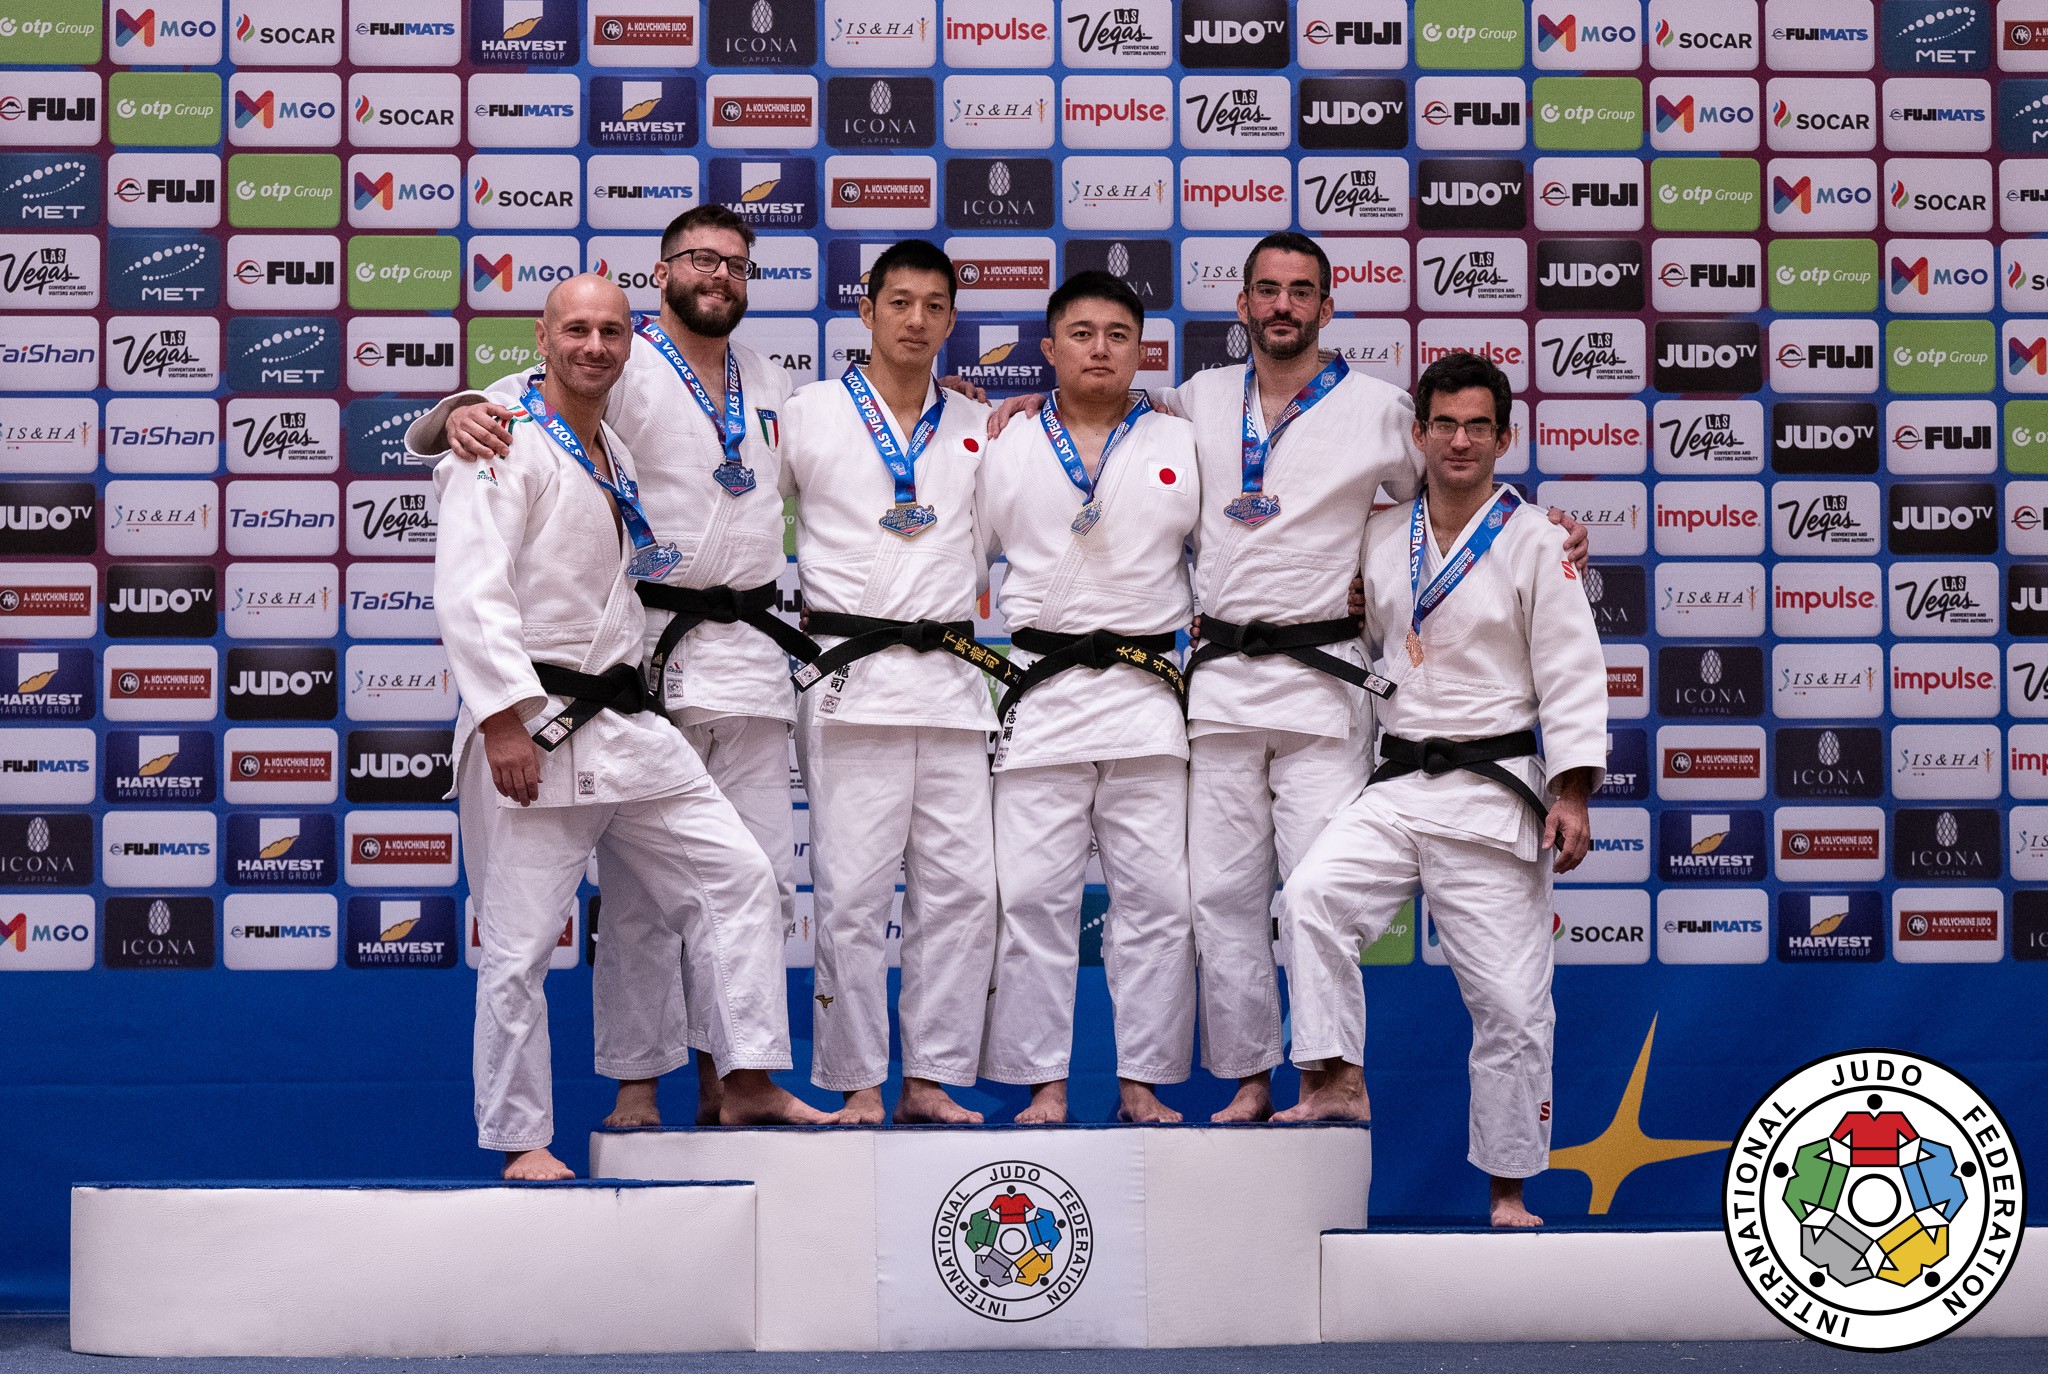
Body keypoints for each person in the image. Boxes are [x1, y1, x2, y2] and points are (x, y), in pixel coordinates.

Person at [986, 232, 1585, 1121]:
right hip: (1221, 682)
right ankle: (1248, 1074)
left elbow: (1463, 484)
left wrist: (1549, 526)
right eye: (1266, 290)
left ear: (1327, 307)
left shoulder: (1384, 409)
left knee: (1315, 892)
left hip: (1326, 682)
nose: (1282, 305)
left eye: (1301, 291)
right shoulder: (1197, 399)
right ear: (1242, 306)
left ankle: (1331, 1075)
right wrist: (1027, 401)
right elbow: (1104, 411)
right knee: (1220, 897)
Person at [410, 207, 808, 1128]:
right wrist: (503, 717)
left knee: (743, 876)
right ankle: (521, 1138)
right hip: (534, 722)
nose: (595, 345)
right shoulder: (505, 440)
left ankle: (745, 1076)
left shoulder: (617, 447)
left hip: (627, 715)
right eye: (576, 330)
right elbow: (469, 592)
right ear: (542, 338)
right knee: (515, 948)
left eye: (609, 332)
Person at [1274, 351, 1606, 1230]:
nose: (1460, 441)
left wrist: (1571, 795)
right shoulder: (1382, 533)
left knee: (1509, 1006)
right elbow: (1378, 627)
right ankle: (1335, 1077)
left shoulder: (1539, 539)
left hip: (1493, 790)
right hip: (1397, 780)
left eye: (1478, 427)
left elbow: (1572, 674)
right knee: (1309, 897)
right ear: (1417, 434)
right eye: (1444, 425)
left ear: (1505, 437)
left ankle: (1507, 1190)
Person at [778, 239, 1003, 1125]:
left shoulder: (982, 426)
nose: (916, 320)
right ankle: (857, 1080)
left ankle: (931, 1079)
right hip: (849, 681)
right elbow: (741, 516)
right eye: (898, 303)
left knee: (962, 893)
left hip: (951, 685)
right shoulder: (807, 414)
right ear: (865, 310)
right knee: (851, 896)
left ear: (952, 320)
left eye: (934, 306)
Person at [976, 271, 1199, 1124]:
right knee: (1033, 896)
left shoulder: (1185, 439)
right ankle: (1044, 1082)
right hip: (1042, 696)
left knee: (1159, 901)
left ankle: (1141, 1080)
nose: (1098, 348)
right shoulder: (1007, 442)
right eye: (1080, 333)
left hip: (1147, 699)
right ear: (1048, 349)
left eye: (1116, 333)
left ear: (1142, 349)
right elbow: (961, 560)